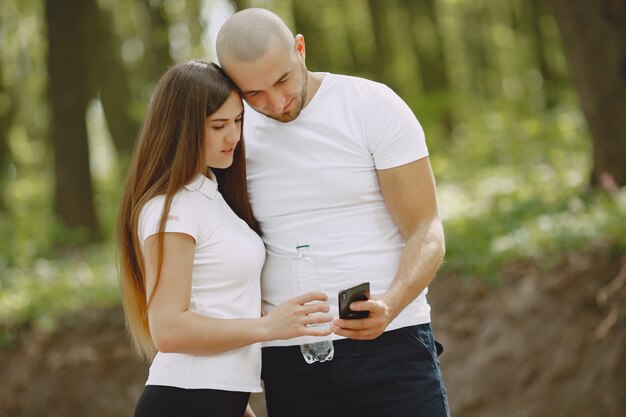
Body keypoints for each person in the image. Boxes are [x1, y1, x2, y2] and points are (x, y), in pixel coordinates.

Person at [216, 8, 449, 417]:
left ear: (300, 49)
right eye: (254, 94)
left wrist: (390, 304)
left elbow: (425, 229)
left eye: (282, 79)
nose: (276, 102)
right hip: (290, 363)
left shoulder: (371, 106)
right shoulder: (228, 138)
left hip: (394, 344)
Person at [116, 60, 332, 417]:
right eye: (219, 125)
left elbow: (219, 306)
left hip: (216, 399)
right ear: (180, 129)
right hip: (185, 400)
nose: (233, 136)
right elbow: (168, 329)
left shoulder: (210, 195)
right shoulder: (173, 209)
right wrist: (267, 326)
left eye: (238, 121)